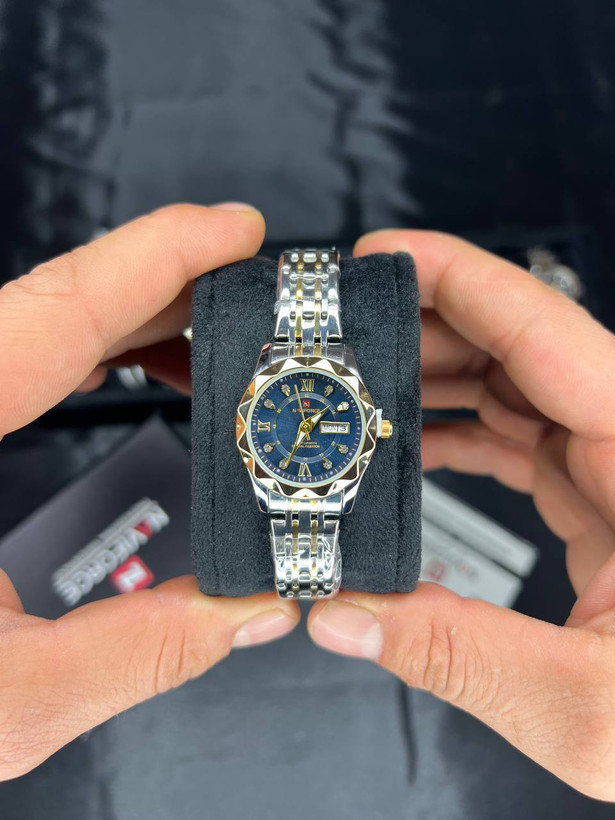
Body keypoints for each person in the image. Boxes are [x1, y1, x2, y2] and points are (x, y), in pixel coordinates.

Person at [0, 203, 614, 801]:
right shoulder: (283, 402)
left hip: (324, 477)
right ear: (244, 421)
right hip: (283, 474)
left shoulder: (334, 410)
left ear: (374, 426)